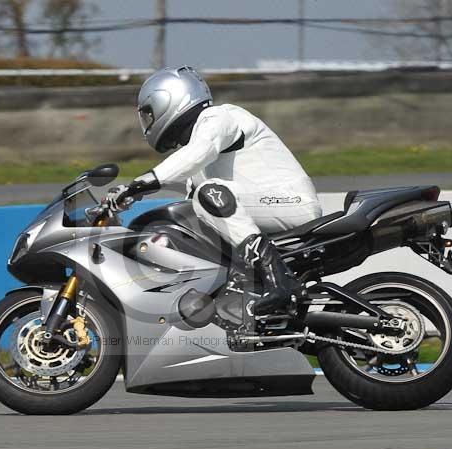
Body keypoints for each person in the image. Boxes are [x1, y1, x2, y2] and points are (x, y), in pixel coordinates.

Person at [106, 66, 322, 315]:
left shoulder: (220, 117)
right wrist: (131, 196)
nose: (148, 122)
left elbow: (196, 154)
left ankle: (279, 281)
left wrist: (139, 184)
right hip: (262, 205)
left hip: (291, 202)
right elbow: (187, 188)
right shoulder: (199, 161)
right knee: (196, 212)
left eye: (149, 113)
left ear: (170, 98)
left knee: (209, 194)